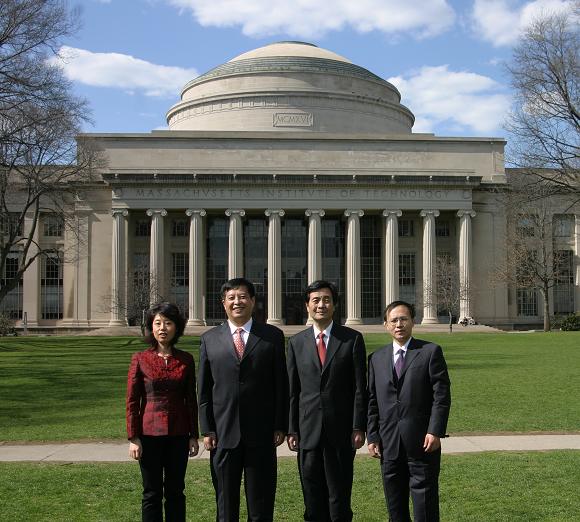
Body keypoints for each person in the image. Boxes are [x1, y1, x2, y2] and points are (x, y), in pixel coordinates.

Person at [198, 277, 288, 522]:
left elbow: (281, 384)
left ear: (253, 301)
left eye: (242, 297)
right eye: (231, 298)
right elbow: (204, 389)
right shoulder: (209, 339)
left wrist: (280, 424)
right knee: (226, 507)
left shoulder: (272, 336)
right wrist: (207, 428)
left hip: (261, 433)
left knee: (261, 505)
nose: (237, 302)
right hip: (223, 434)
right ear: (223, 303)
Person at [287, 280, 367, 522]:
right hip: (307, 431)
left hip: (340, 431)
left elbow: (359, 388)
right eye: (316, 300)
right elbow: (293, 391)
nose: (321, 305)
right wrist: (292, 429)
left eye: (326, 300)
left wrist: (358, 426)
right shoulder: (296, 343)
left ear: (334, 305)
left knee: (339, 497)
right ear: (307, 306)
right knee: (312, 497)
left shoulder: (352, 339)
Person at [367, 300, 451, 522]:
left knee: (425, 507)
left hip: (422, 441)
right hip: (389, 444)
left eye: (404, 319)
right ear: (386, 325)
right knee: (395, 508)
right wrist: (372, 436)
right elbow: (372, 401)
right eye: (394, 320)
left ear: (413, 322)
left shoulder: (430, 352)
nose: (399, 324)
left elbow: (441, 397)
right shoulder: (376, 358)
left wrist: (435, 431)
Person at [126, 302, 199, 522]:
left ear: (176, 327)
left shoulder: (185, 359)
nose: (162, 328)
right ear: (151, 327)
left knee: (176, 491)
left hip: (179, 434)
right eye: (157, 323)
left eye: (168, 323)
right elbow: (132, 401)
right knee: (151, 492)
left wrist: (193, 435)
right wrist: (133, 437)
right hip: (148, 435)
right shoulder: (140, 359)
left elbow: (191, 400)